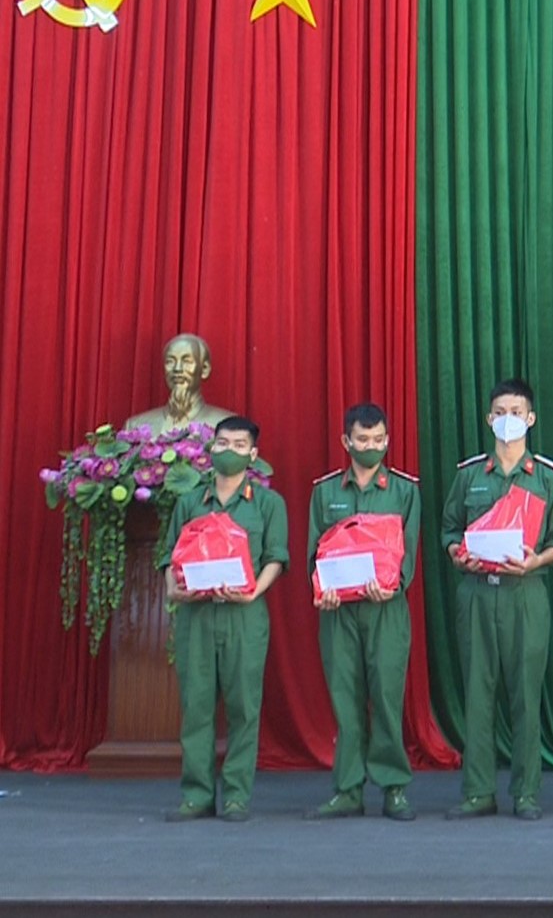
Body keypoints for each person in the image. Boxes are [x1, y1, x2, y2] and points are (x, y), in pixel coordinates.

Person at [440, 378, 553, 821]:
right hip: (477, 594)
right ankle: (478, 791)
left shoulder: (548, 477)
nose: (508, 420)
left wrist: (536, 562)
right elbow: (449, 530)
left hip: (525, 594)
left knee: (526, 695)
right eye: (500, 412)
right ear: (488, 419)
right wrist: (457, 553)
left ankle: (526, 793)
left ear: (531, 419)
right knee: (477, 695)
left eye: (516, 412)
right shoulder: (469, 475)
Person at [160, 415, 288, 822]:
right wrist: (173, 589)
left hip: (244, 617)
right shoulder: (190, 501)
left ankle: (236, 795)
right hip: (196, 617)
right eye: (222, 443)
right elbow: (169, 556)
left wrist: (253, 592)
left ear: (253, 454)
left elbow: (276, 557)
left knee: (244, 708)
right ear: (211, 448)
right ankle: (196, 795)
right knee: (196, 707)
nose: (228, 450)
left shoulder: (268, 504)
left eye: (238, 445)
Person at [304, 402, 423, 822]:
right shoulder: (326, 492)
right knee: (345, 699)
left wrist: (392, 586)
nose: (370, 446)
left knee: (387, 698)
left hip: (385, 610)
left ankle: (394, 788)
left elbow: (408, 552)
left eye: (378, 439)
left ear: (387, 440)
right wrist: (322, 589)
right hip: (338, 612)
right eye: (362, 439)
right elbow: (315, 550)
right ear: (346, 441)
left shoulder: (404, 491)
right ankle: (348, 789)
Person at [124, 333, 236, 434]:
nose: (177, 369)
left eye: (187, 361)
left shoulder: (229, 426)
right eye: (170, 361)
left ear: (204, 369)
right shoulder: (135, 426)